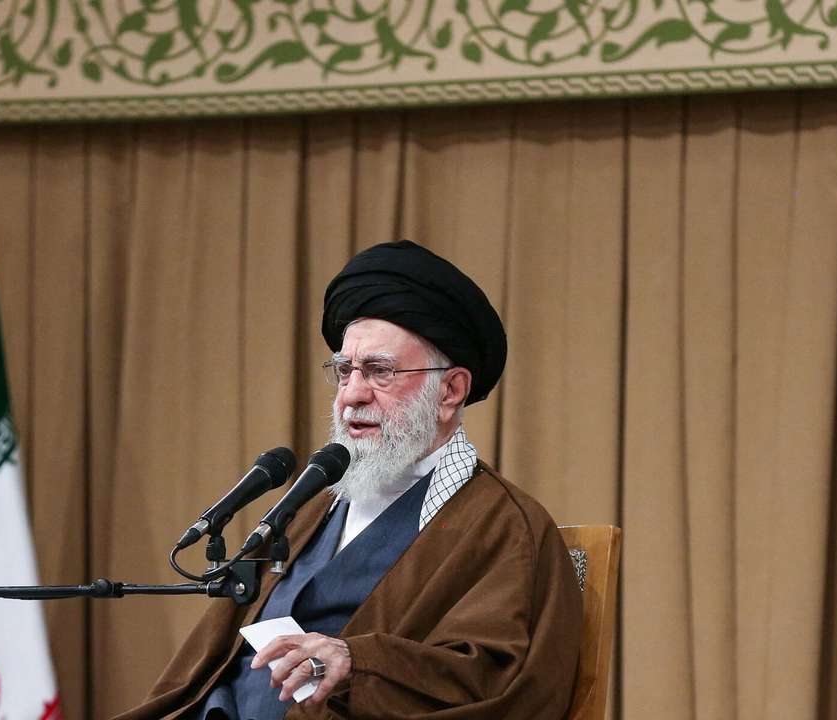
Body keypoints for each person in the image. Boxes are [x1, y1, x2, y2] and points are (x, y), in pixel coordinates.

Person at [115, 241, 583, 720]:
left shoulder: (506, 527)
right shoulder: (312, 506)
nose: (352, 395)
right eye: (344, 371)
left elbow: (503, 681)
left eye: (379, 372)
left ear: (451, 390)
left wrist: (359, 661)